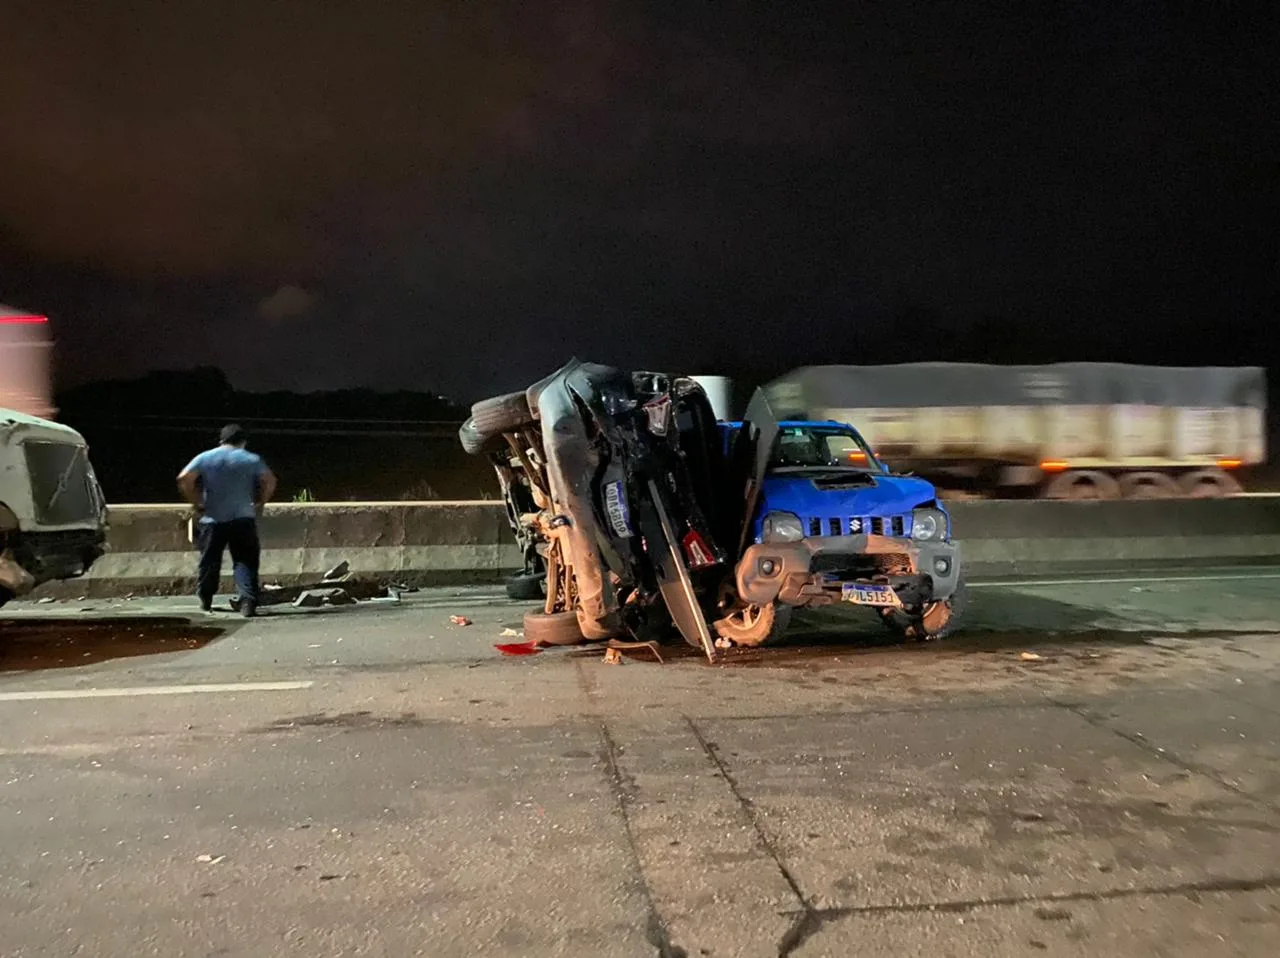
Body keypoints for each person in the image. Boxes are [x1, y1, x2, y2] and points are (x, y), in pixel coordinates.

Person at [177, 424, 277, 616]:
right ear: (243, 441)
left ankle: (206, 598)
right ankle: (247, 600)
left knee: (209, 561)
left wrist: (196, 501)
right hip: (243, 518)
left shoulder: (205, 457)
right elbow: (269, 480)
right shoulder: (251, 459)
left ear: (221, 440)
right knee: (245, 560)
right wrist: (260, 502)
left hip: (212, 519)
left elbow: (184, 478)